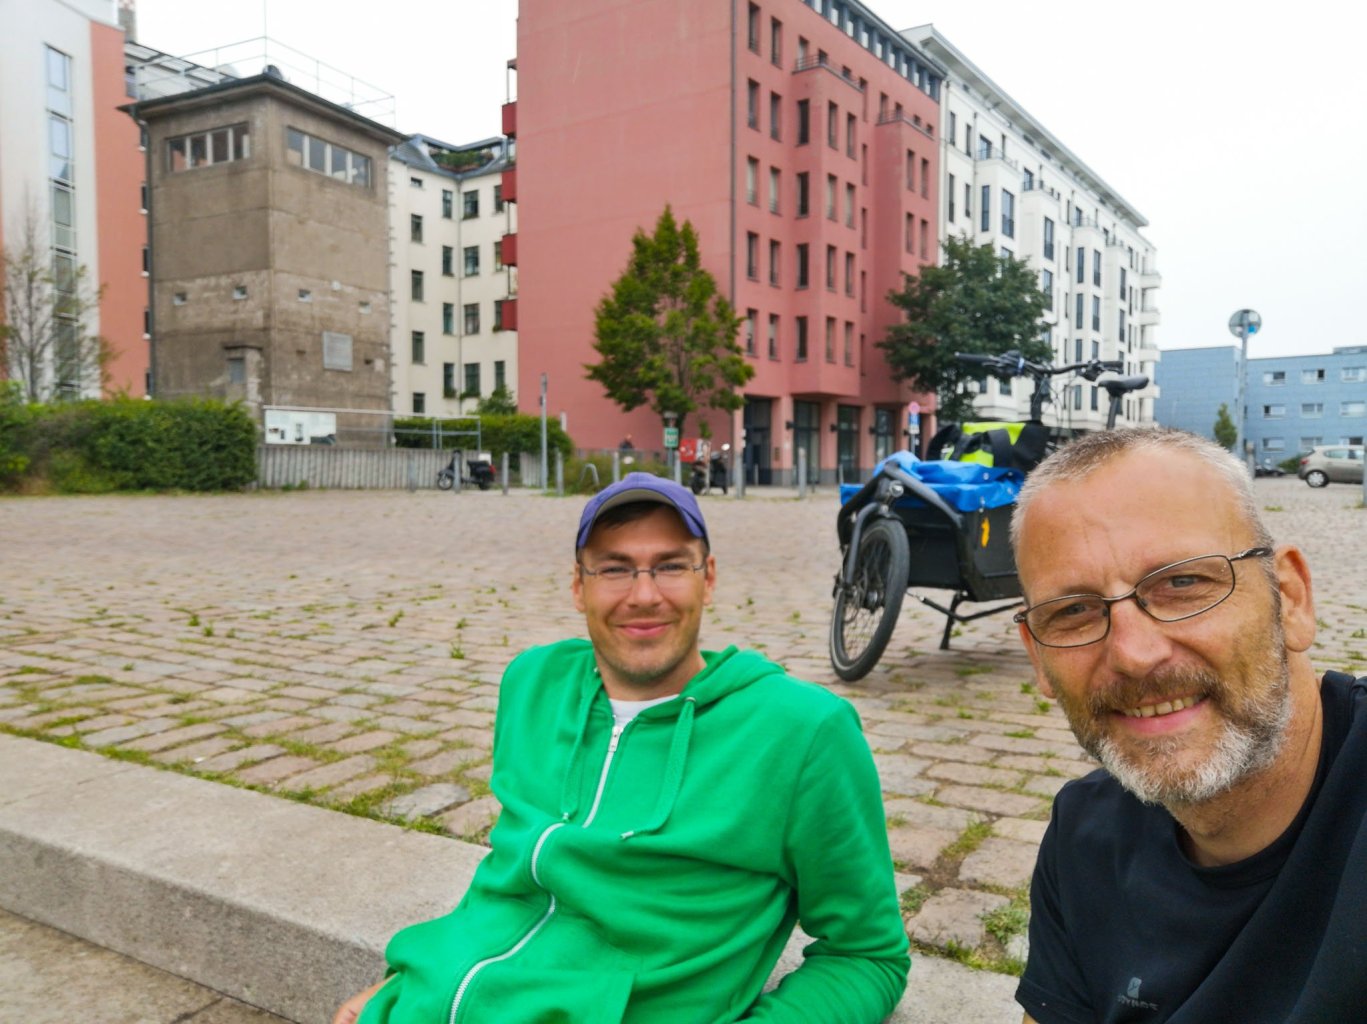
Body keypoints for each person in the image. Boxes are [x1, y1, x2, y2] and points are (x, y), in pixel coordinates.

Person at [334, 472, 908, 1023]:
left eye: (670, 566)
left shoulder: (802, 731)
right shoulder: (533, 683)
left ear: (708, 578)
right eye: (614, 568)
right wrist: (418, 981)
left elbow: (868, 956)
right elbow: (514, 874)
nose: (643, 595)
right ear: (577, 586)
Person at [1008, 428, 1367, 1024]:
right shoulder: (1083, 837)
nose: (1133, 655)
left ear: (1291, 599)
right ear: (1038, 657)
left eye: (1182, 583)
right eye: (1073, 611)